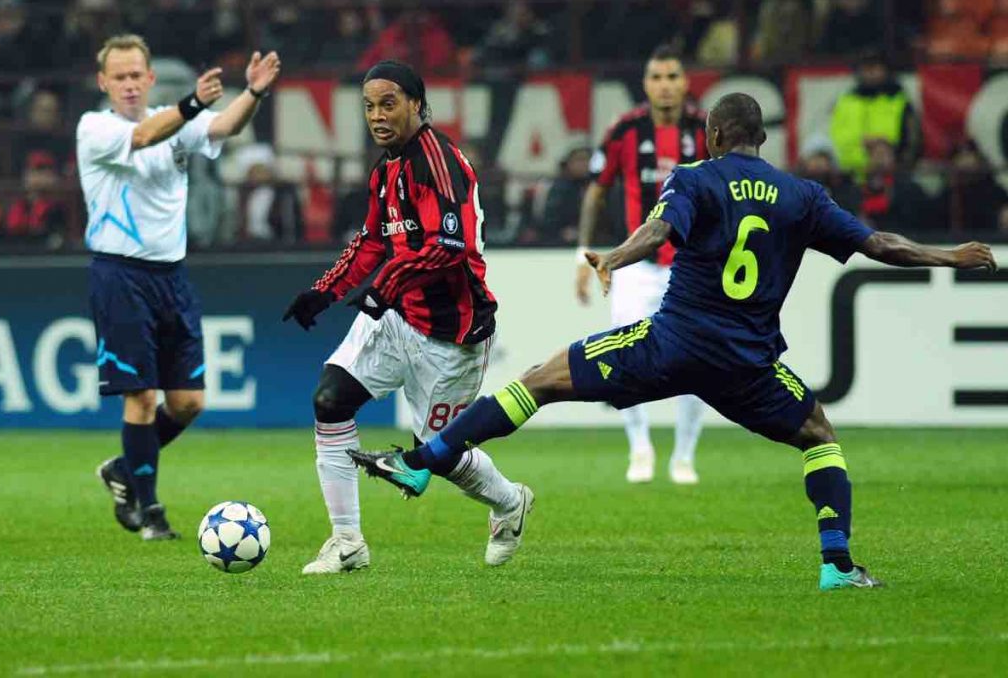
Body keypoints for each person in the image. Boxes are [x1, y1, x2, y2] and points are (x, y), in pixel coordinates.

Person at [349, 93, 998, 591]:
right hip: (748, 364)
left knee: (542, 380)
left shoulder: (695, 177)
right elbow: (877, 245)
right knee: (820, 436)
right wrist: (954, 255)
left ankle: (423, 461)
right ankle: (838, 565)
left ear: (713, 136)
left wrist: (613, 256)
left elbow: (660, 231)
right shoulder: (802, 195)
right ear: (763, 139)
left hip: (672, 342)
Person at [282, 61, 530, 575]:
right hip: (397, 319)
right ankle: (347, 540)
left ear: (417, 103)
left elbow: (451, 245)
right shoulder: (385, 169)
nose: (377, 115)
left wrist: (385, 286)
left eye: (388, 103)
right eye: (369, 106)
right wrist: (324, 292)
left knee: (436, 458)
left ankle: (509, 502)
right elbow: (373, 240)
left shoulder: (437, 163)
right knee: (329, 400)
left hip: (452, 334)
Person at [80, 34, 280, 540]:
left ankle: (124, 470)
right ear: (104, 83)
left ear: (149, 79)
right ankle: (150, 513)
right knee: (142, 396)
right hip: (120, 275)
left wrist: (252, 93)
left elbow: (225, 125)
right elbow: (145, 136)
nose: (127, 85)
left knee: (189, 402)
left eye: (135, 76)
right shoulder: (95, 128)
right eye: (118, 77)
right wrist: (192, 103)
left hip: (172, 275)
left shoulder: (179, 121)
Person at [576, 45, 708, 485]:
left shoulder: (707, 130)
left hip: (692, 265)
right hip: (635, 264)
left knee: (697, 364)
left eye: (673, 76)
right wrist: (584, 254)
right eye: (657, 77)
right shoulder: (624, 131)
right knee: (626, 358)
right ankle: (640, 449)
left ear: (685, 81)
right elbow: (596, 191)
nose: (665, 85)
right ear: (646, 84)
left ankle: (685, 457)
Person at [829, 52, 921, 181]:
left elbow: (912, 143)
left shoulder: (900, 101)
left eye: (875, 67)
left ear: (886, 70)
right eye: (866, 68)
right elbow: (834, 139)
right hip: (849, 178)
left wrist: (899, 168)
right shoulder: (845, 101)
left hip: (890, 179)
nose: (870, 72)